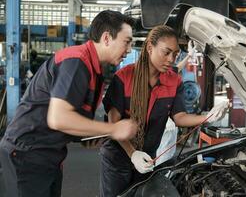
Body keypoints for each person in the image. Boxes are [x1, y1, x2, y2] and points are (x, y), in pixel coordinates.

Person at [0, 10, 138, 197]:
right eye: (127, 42)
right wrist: (112, 129)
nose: (129, 50)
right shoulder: (76, 61)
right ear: (107, 38)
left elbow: (71, 116)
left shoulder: (94, 69)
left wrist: (86, 135)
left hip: (49, 157)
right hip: (28, 155)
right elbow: (59, 118)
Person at [100, 25, 229, 197]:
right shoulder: (124, 77)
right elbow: (113, 121)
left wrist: (207, 117)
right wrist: (132, 154)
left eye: (175, 54)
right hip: (118, 155)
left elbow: (180, 117)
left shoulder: (174, 81)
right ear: (150, 47)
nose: (171, 59)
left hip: (148, 157)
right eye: (166, 52)